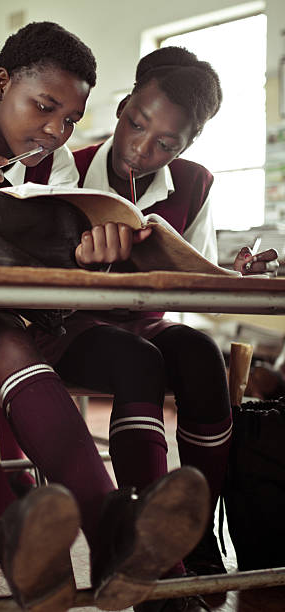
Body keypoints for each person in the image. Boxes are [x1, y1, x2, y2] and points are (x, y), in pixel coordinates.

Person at [0, 25, 209, 611]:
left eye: (71, 120)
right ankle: (17, 537)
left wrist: (82, 253)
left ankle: (112, 538)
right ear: (1, 83)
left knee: (12, 347)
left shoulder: (53, 171)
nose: (56, 130)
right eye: (44, 107)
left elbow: (40, 256)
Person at [27, 46, 279, 612]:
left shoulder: (195, 183)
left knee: (199, 354)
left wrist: (230, 273)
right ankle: (149, 548)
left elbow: (198, 278)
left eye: (166, 143)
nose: (141, 148)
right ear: (121, 107)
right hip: (66, 325)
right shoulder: (62, 167)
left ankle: (192, 533)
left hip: (144, 320)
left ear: (187, 146)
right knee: (137, 362)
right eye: (136, 124)